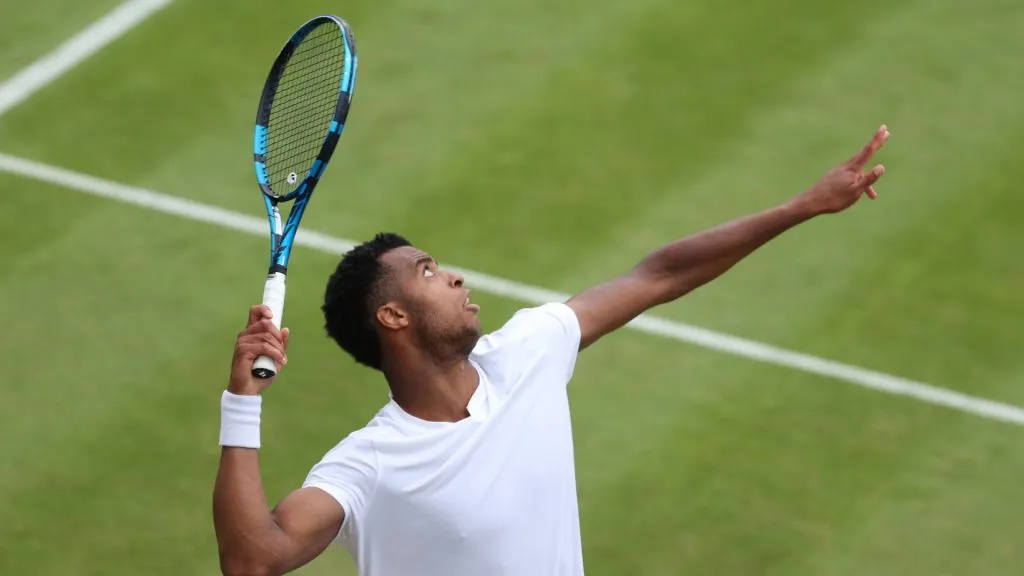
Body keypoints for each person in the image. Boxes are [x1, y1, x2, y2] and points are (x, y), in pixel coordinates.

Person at [212, 125, 890, 575]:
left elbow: (657, 274)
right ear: (393, 317)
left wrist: (802, 206)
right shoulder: (368, 464)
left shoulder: (527, 351)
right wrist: (242, 404)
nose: (453, 275)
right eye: (425, 272)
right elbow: (254, 561)